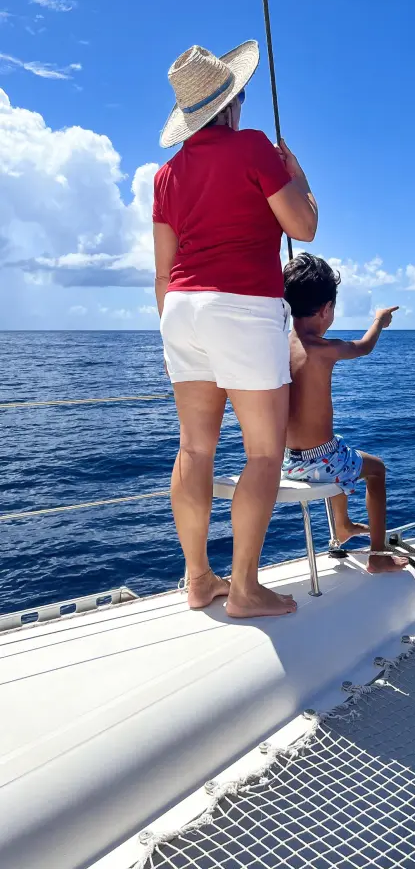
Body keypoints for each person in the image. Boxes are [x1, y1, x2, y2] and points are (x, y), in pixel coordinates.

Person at [153, 42, 318, 616]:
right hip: (243, 308)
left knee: (195, 450)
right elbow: (305, 226)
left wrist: (179, 333)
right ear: (231, 102)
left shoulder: (166, 175)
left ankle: (199, 580)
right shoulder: (251, 147)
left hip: (181, 309)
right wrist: (299, 178)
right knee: (265, 454)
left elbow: (162, 272)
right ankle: (244, 590)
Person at [282, 253, 408, 574]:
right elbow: (364, 346)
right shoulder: (325, 349)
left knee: (340, 451)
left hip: (290, 461)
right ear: (326, 310)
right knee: (376, 470)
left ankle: (343, 526)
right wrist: (379, 320)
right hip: (321, 461)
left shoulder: (278, 345)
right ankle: (378, 556)